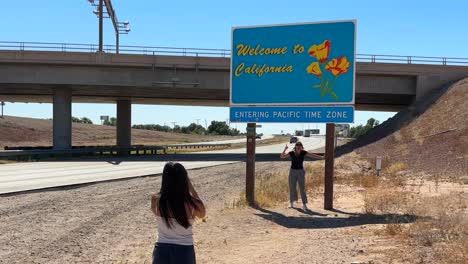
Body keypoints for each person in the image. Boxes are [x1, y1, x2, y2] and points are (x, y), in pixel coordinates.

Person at [150, 162, 206, 264]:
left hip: (162, 249)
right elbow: (202, 214)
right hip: (184, 250)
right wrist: (191, 188)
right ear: (184, 180)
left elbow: (156, 211)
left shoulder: (156, 200)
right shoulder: (192, 203)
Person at [280, 141, 324, 210]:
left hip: (301, 171)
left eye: (299, 146)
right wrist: (285, 149)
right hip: (292, 171)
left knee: (302, 188)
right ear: (295, 147)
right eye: (297, 146)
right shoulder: (291, 153)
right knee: (292, 187)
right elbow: (282, 156)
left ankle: (304, 204)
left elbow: (312, 155)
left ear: (301, 147)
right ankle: (291, 203)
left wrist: (321, 157)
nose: (298, 147)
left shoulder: (303, 152)